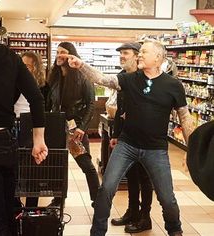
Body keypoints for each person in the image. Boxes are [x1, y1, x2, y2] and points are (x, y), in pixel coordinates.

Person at [63, 39, 195, 236]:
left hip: (156, 149)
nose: (139, 55)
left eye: (144, 52)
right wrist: (81, 65)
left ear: (158, 58)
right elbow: (102, 79)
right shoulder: (130, 78)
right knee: (106, 189)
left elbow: (185, 118)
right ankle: (97, 232)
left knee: (167, 198)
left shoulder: (173, 85)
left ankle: (175, 231)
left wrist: (192, 150)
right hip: (127, 145)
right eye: (139, 52)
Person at [0, 1, 48, 235]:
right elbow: (37, 98)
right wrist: (39, 140)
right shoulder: (11, 57)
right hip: (5, 143)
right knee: (9, 212)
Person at [47, 41, 100, 207]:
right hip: (56, 127)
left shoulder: (82, 76)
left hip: (74, 129)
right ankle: (58, 199)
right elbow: (49, 102)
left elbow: (91, 103)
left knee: (86, 165)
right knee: (57, 166)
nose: (59, 55)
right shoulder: (53, 76)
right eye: (57, 51)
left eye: (63, 52)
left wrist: (82, 128)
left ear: (72, 55)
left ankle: (97, 200)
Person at [110, 42, 153, 234]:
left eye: (125, 53)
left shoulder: (148, 78)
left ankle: (145, 217)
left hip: (146, 137)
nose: (121, 56)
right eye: (120, 53)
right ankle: (132, 212)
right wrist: (115, 134)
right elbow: (120, 109)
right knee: (131, 175)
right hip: (127, 136)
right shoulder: (122, 78)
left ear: (137, 56)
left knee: (145, 177)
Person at [14, 51, 49, 208]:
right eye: (23, 65)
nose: (25, 69)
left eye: (28, 66)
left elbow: (45, 108)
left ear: (36, 68)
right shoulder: (13, 82)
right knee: (14, 169)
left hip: (34, 130)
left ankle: (31, 208)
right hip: (14, 127)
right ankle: (15, 205)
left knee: (33, 170)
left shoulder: (43, 86)